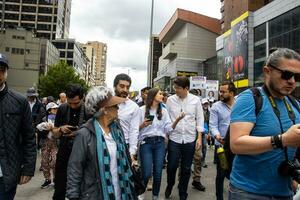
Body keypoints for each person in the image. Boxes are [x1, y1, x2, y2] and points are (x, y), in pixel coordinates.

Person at [229, 48, 300, 200]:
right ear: (267, 71)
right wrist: (283, 139)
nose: (292, 81)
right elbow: (236, 144)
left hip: (285, 191)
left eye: (297, 76)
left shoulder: (295, 104)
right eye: (286, 74)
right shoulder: (249, 98)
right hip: (248, 192)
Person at [67, 86, 136, 200]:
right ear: (104, 109)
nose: (118, 108)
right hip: (97, 194)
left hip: (122, 192)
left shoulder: (117, 129)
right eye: (114, 105)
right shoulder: (84, 134)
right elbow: (75, 168)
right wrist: (73, 196)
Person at [0, 53, 36, 199]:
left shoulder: (19, 101)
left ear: (7, 73)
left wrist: (28, 168)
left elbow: (29, 137)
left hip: (7, 174)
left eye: (2, 70)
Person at [138, 88, 185, 200]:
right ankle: (141, 192)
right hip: (146, 143)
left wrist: (177, 119)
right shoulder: (141, 110)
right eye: (160, 93)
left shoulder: (163, 111)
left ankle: (155, 197)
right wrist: (143, 125)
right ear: (153, 96)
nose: (162, 95)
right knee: (146, 174)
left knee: (158, 174)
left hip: (160, 144)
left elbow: (168, 129)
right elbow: (135, 129)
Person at [165, 76, 204, 200]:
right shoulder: (170, 100)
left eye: (178, 88)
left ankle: (183, 192)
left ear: (186, 88)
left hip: (190, 139)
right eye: (174, 87)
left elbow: (200, 119)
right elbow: (167, 119)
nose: (175, 90)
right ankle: (170, 185)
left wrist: (199, 138)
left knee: (186, 169)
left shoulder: (195, 100)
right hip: (175, 139)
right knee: (171, 166)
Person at [52, 84, 90, 200]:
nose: (73, 106)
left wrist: (79, 133)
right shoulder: (62, 108)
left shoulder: (89, 110)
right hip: (64, 153)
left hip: (84, 155)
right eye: (70, 103)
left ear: (83, 97)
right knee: (59, 189)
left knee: (82, 191)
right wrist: (60, 129)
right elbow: (54, 133)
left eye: (76, 103)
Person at [209, 81, 236, 200]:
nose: (220, 94)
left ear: (231, 93)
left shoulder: (240, 104)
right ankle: (219, 197)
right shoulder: (216, 106)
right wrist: (217, 136)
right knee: (221, 173)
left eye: (223, 92)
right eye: (220, 91)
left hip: (238, 145)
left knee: (236, 173)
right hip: (221, 147)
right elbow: (213, 125)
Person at [114, 74, 140, 164]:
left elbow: (134, 131)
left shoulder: (134, 107)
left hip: (125, 145)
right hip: (106, 143)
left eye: (127, 87)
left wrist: (132, 153)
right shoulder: (106, 103)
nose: (125, 90)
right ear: (114, 86)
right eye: (122, 86)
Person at [36, 102, 59, 189]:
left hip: (55, 143)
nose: (56, 110)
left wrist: (53, 129)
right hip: (45, 143)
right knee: (45, 162)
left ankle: (56, 180)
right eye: (54, 109)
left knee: (54, 161)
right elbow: (39, 132)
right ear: (49, 110)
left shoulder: (59, 119)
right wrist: (46, 129)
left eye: (56, 108)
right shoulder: (44, 120)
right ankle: (47, 180)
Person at [189, 90, 206, 192]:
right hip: (185, 137)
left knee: (198, 158)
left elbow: (201, 121)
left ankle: (196, 179)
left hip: (197, 136)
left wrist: (199, 137)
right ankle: (181, 180)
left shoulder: (199, 107)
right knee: (183, 161)